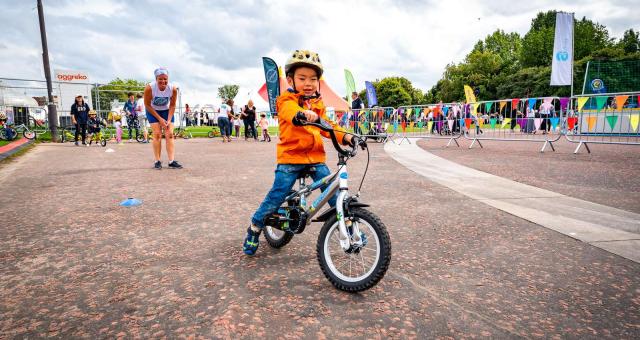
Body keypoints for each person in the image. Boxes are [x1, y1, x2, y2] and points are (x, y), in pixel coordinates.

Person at [242, 49, 355, 256]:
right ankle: (255, 226)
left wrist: (347, 136)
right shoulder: (285, 101)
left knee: (333, 192)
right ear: (291, 80)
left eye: (313, 78)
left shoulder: (317, 103)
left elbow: (327, 125)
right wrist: (303, 114)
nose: (308, 83)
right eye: (302, 78)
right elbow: (290, 112)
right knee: (278, 194)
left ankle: (348, 227)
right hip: (291, 158)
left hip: (314, 158)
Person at [144, 67, 182, 169]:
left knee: (169, 134)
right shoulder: (149, 88)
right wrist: (159, 119)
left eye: (165, 79)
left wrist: (168, 120)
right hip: (152, 111)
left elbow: (172, 106)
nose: (163, 81)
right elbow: (147, 105)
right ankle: (157, 161)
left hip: (166, 111)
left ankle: (171, 161)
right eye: (160, 79)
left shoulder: (172, 89)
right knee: (157, 135)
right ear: (156, 79)